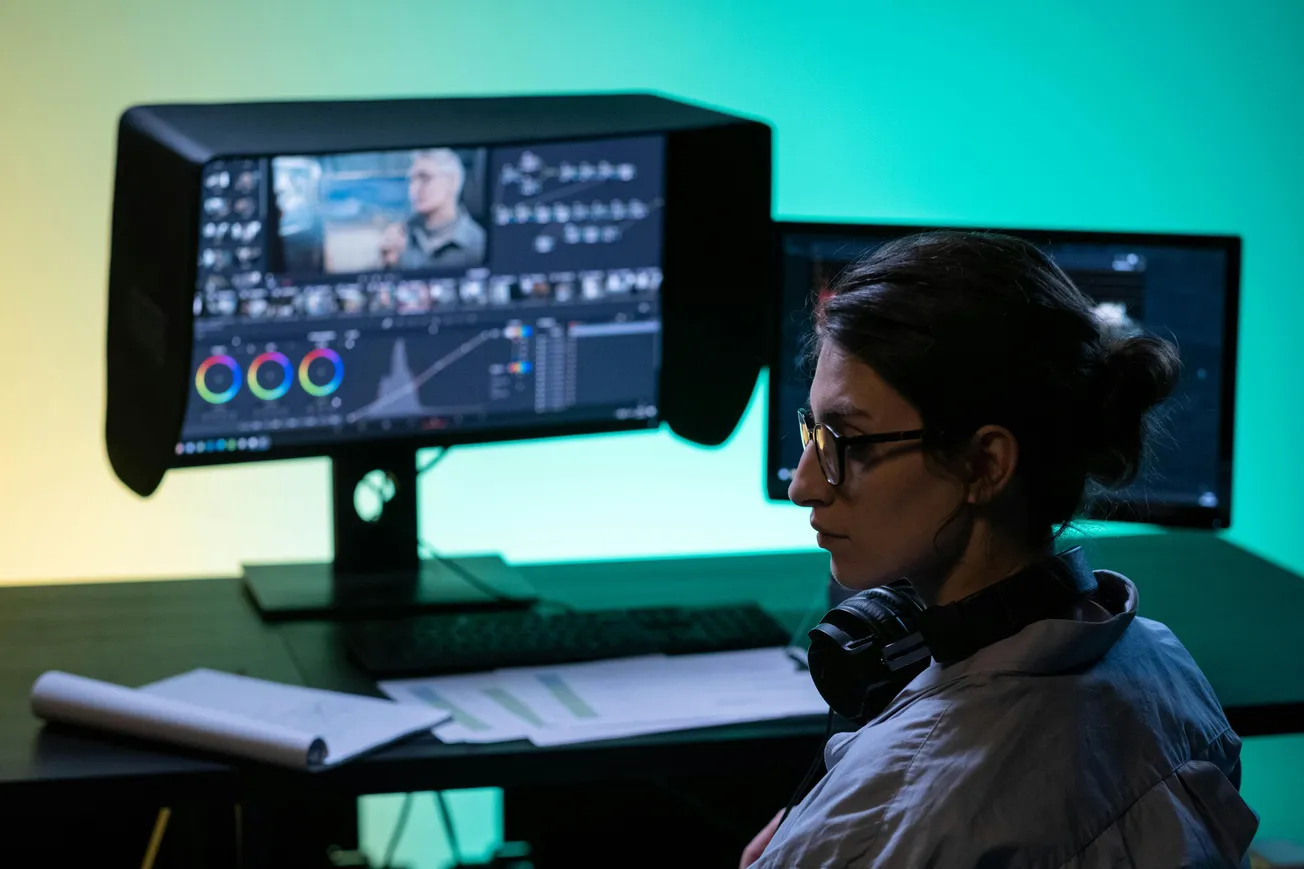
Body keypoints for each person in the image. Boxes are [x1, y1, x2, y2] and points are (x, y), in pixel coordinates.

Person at [743, 231, 1259, 868]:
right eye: (813, 431)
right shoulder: (1169, 671)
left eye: (851, 441)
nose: (804, 484)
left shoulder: (884, 812)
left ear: (986, 463)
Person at [380, 148, 486, 270]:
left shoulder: (478, 244)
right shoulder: (400, 238)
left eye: (425, 178)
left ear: (452, 182)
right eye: (411, 180)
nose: (413, 190)